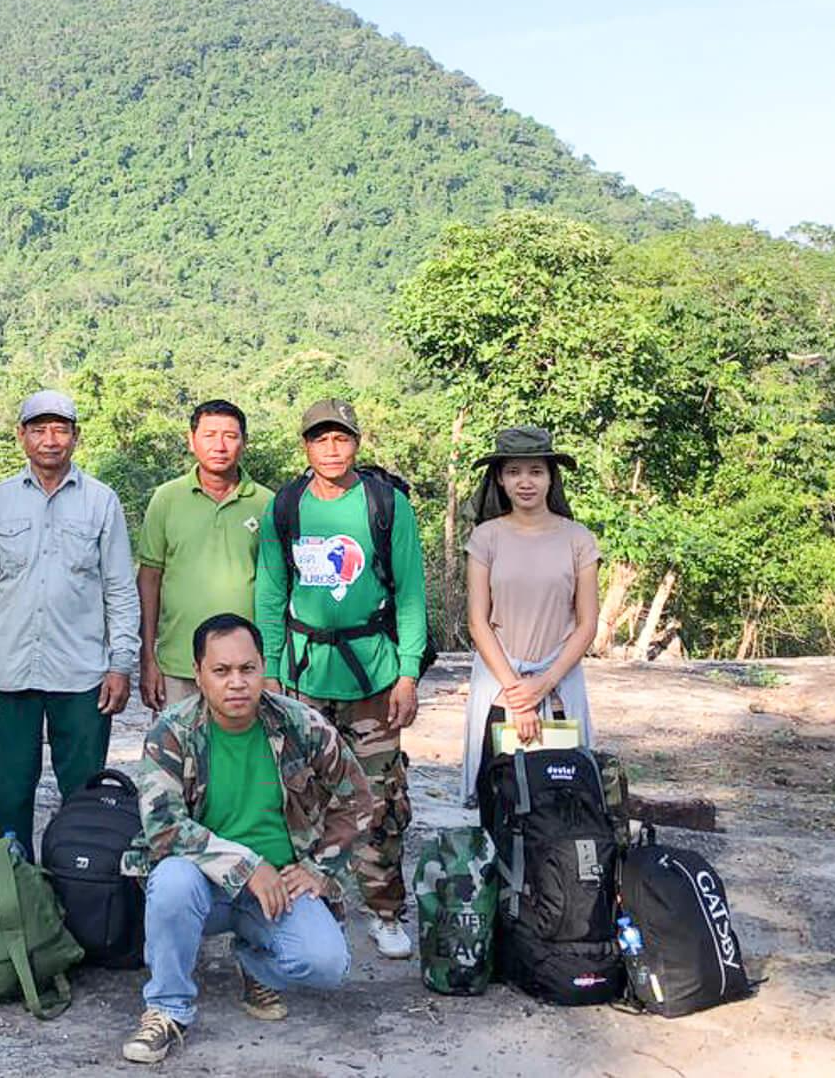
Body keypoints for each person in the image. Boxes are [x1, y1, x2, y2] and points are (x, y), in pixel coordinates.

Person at [119, 613, 371, 1064]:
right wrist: (247, 866)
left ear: (261, 668)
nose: (236, 683)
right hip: (204, 887)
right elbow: (163, 826)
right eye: (221, 671)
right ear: (198, 674)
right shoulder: (172, 732)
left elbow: (359, 797)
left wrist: (319, 869)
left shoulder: (300, 724)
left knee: (328, 964)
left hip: (277, 888)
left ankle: (256, 963)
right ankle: (166, 1009)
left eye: (247, 669)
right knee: (171, 881)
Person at [253, 399, 427, 961]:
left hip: (373, 676)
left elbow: (411, 594)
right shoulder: (287, 508)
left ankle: (385, 910)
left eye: (341, 439)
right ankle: (319, 906)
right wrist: (272, 673)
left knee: (380, 799)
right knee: (304, 800)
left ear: (356, 442)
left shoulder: (387, 506)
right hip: (304, 678)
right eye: (320, 439)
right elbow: (271, 595)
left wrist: (407, 673)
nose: (331, 449)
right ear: (305, 445)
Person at [0, 389, 138, 855]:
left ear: (76, 437)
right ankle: (11, 893)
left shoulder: (102, 502)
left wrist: (122, 663)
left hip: (82, 674)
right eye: (39, 429)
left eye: (60, 429)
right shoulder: (0, 502)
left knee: (84, 795)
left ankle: (80, 891)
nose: (50, 440)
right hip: (10, 673)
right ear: (22, 437)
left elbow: (120, 588)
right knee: (10, 795)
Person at [460, 426, 601, 806]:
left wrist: (546, 682)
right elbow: (478, 621)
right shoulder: (485, 538)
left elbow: (587, 623)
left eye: (536, 471)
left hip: (559, 687)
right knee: (500, 800)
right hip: (498, 685)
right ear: (500, 480)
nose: (526, 482)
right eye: (514, 472)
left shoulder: (579, 539)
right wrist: (518, 696)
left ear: (551, 478)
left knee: (561, 802)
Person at [135, 400, 274, 710]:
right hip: (178, 665)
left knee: (243, 755)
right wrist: (148, 659)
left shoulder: (267, 504)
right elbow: (149, 579)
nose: (220, 445)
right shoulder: (167, 499)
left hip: (245, 669)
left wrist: (272, 666)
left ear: (244, 441)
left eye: (230, 435)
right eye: (210, 435)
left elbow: (277, 589)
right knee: (177, 754)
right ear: (191, 440)